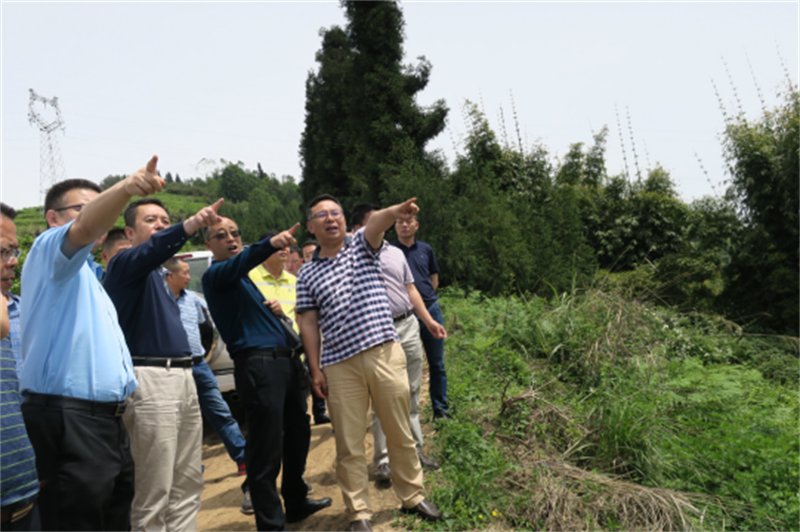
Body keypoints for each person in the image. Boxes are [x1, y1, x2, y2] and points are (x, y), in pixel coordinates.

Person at [20, 162, 162, 531]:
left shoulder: (89, 275)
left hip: (107, 422)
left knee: (114, 520)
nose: (99, 216)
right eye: (83, 207)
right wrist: (126, 188)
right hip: (70, 419)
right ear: (53, 218)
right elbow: (84, 228)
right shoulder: (48, 250)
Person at [297, 194, 443, 532]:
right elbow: (308, 322)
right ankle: (358, 512)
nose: (330, 218)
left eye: (336, 212)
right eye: (322, 215)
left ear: (345, 220)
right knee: (348, 443)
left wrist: (396, 212)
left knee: (399, 429)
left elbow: (376, 223)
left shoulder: (362, 246)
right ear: (311, 227)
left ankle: (412, 495)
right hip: (339, 364)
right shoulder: (307, 273)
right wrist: (315, 369)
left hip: (383, 353)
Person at [202, 217, 331, 532]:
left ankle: (296, 500)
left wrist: (273, 312)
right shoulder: (217, 274)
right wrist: (270, 244)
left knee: (299, 433)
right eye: (221, 235)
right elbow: (242, 261)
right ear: (208, 245)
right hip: (258, 365)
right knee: (265, 447)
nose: (231, 238)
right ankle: (272, 524)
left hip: (286, 361)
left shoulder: (245, 281)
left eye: (235, 232)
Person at [104, 192, 223, 532]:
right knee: (153, 490)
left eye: (165, 220)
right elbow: (155, 248)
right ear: (129, 233)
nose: (160, 225)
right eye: (150, 220)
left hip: (182, 377)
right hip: (151, 380)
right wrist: (191, 225)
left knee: (187, 482)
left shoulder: (159, 276)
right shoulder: (123, 265)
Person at [350, 204, 446, 480]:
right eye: (376, 222)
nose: (382, 226)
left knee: (411, 392)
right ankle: (384, 460)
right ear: (358, 230)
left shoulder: (395, 253)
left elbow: (411, 289)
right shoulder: (351, 257)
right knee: (382, 398)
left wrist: (428, 320)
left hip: (408, 325)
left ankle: (415, 450)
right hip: (378, 331)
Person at [163, 257, 252, 513]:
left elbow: (209, 324)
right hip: (173, 369)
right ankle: (192, 471)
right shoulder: (157, 301)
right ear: (170, 276)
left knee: (220, 412)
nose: (189, 277)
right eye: (185, 273)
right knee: (182, 423)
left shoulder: (193, 298)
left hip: (200, 365)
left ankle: (243, 459)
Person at [249, 231, 330, 426]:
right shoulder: (249, 277)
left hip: (294, 359)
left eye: (286, 245)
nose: (284, 249)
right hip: (264, 360)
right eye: (278, 245)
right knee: (269, 421)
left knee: (298, 419)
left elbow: (301, 320)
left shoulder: (295, 281)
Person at [0, 203, 40, 532]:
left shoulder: (26, 311)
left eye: (14, 251)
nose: (13, 261)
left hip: (24, 491)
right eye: (3, 251)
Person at [392, 215, 450, 420]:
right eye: (400, 221)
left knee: (437, 364)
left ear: (416, 225)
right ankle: (404, 413)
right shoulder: (389, 251)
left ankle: (441, 410)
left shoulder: (426, 249)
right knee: (402, 365)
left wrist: (425, 302)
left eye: (409, 222)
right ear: (394, 226)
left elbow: (434, 278)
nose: (404, 225)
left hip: (430, 309)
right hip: (403, 316)